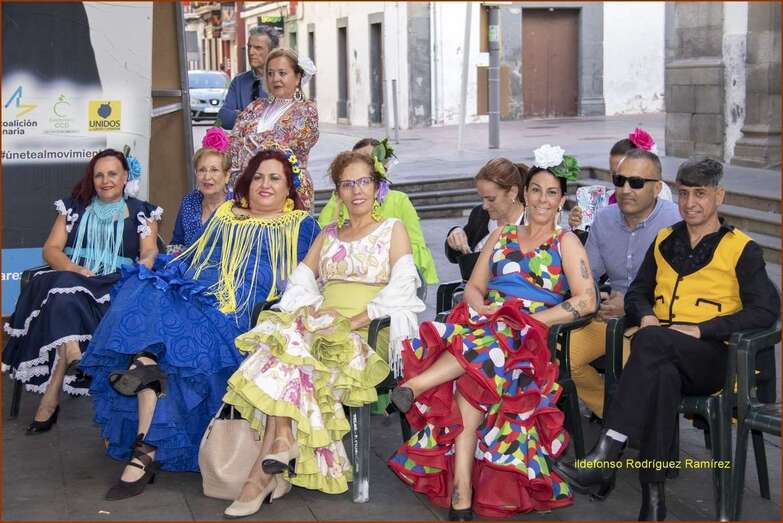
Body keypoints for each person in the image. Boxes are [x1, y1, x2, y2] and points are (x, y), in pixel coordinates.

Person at [80, 145, 320, 501]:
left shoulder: (302, 225)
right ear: (246, 182)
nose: (264, 185)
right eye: (258, 177)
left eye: (275, 178)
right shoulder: (226, 213)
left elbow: (308, 279)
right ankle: (145, 395)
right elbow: (194, 256)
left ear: (289, 188)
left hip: (240, 308)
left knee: (174, 341)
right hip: (199, 290)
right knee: (148, 289)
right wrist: (165, 275)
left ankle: (144, 432)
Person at [555, 158, 780, 521]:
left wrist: (702, 329)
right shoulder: (665, 240)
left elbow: (766, 310)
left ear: (719, 196)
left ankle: (606, 456)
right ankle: (653, 500)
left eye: (700, 194)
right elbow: (638, 292)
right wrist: (645, 315)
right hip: (663, 353)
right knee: (660, 373)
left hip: (714, 359)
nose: (690, 202)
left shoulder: (742, 249)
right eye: (685, 193)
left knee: (651, 343)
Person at [388, 145, 598, 519]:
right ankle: (461, 490)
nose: (543, 199)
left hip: (531, 338)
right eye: (537, 190)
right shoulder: (502, 235)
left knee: (491, 346)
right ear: (524, 193)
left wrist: (538, 320)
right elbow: (474, 286)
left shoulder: (565, 241)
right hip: (489, 327)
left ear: (561, 200)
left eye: (552, 193)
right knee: (478, 371)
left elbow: (587, 300)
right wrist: (479, 305)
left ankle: (417, 389)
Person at [220, 150, 425, 518]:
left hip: (369, 329)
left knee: (288, 355)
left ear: (376, 187)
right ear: (338, 192)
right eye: (347, 184)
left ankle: (261, 477)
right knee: (285, 346)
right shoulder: (329, 233)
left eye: (363, 182)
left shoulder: (392, 228)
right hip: (323, 327)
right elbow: (300, 282)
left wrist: (351, 321)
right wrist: (312, 310)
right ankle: (279, 448)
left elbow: (403, 288)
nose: (356, 190)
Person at [2, 149, 161, 433]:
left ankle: (54, 392)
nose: (105, 180)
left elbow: (149, 251)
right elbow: (51, 249)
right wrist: (74, 268)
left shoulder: (143, 212)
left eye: (112, 174)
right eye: (99, 175)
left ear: (125, 176)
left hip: (114, 282)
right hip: (74, 275)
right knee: (66, 290)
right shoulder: (73, 208)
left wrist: (144, 266)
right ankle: (75, 357)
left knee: (67, 297)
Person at [568, 148, 680, 420]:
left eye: (637, 182)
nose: (626, 189)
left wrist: (630, 307)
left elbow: (680, 291)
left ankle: (628, 426)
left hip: (655, 320)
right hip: (609, 317)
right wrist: (596, 300)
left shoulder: (676, 221)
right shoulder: (604, 219)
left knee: (641, 368)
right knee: (563, 357)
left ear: (657, 188)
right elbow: (589, 276)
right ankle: (616, 419)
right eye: (620, 181)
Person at [318, 138, 439, 284]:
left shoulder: (399, 201)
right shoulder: (338, 202)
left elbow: (415, 247)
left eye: (370, 162)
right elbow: (321, 243)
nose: (357, 189)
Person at [229, 48, 318, 211]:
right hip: (247, 190)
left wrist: (247, 146)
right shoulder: (255, 106)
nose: (275, 78)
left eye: (282, 73)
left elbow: (279, 149)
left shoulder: (306, 110)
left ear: (298, 77)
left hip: (287, 192)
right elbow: (234, 140)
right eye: (270, 73)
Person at [569, 127, 671, 230]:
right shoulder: (606, 201)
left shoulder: (658, 196)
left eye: (634, 180)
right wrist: (579, 224)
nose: (625, 189)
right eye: (617, 176)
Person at [444, 158, 526, 274]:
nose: (485, 206)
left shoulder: (534, 225)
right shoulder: (480, 215)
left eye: (491, 199)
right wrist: (455, 234)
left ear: (513, 192)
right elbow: (454, 256)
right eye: (482, 198)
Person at [168, 128, 232, 256]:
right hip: (188, 267)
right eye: (202, 170)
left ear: (227, 175)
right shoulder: (189, 202)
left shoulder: (238, 205)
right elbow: (177, 244)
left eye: (214, 170)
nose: (207, 177)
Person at [218, 25, 279, 130]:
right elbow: (223, 117)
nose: (251, 52)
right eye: (249, 47)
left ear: (272, 52)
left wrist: (239, 115)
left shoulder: (281, 81)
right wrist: (252, 118)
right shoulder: (239, 82)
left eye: (258, 48)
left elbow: (283, 120)